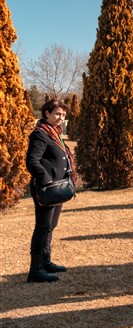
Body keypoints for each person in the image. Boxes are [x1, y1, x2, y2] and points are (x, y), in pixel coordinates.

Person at [25, 99, 76, 283]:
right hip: (47, 188)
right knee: (42, 227)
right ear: (46, 113)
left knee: (51, 226)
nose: (60, 118)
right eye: (57, 114)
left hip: (58, 188)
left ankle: (45, 262)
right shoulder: (40, 134)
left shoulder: (56, 133)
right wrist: (46, 180)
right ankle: (35, 269)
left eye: (63, 115)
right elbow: (32, 161)